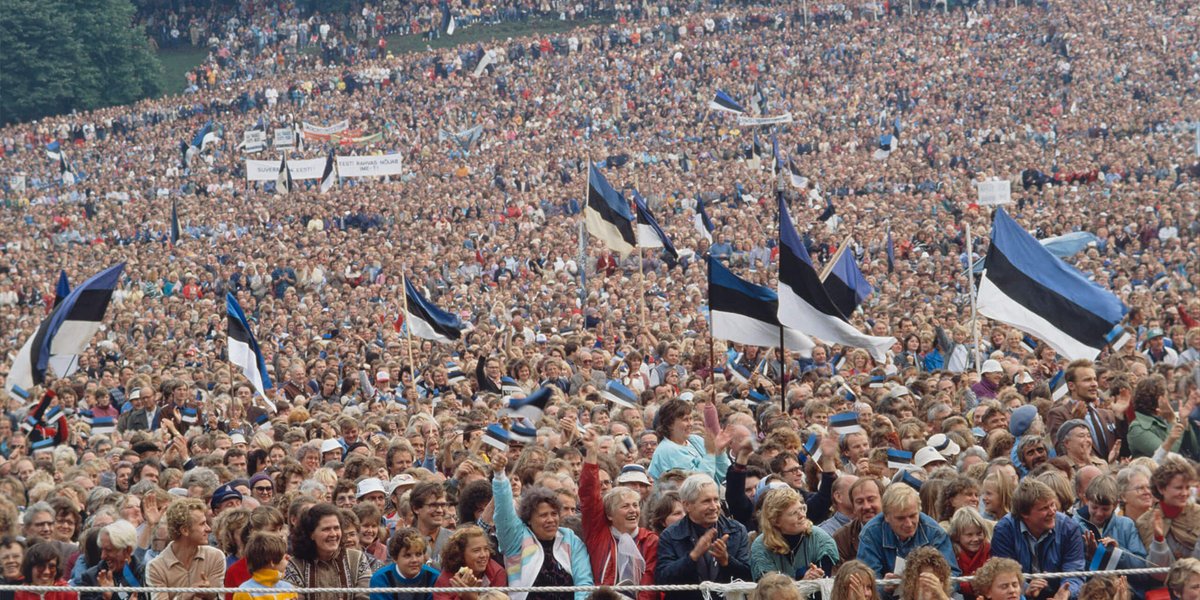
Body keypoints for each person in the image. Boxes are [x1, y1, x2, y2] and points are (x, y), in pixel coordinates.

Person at [489, 452, 592, 600]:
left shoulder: (570, 539)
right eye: (543, 515)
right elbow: (503, 512)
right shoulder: (516, 538)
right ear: (529, 519)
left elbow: (584, 582)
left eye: (554, 514)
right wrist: (499, 476)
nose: (550, 519)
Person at [579, 432, 657, 597]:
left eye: (635, 505)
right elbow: (589, 496)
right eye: (625, 506)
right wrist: (592, 453)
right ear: (609, 515)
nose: (632, 510)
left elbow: (649, 583)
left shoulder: (650, 540)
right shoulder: (599, 534)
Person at [656, 473, 751, 600]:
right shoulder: (670, 535)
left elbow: (749, 576)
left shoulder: (736, 530)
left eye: (716, 499)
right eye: (706, 501)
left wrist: (727, 561)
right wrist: (693, 556)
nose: (714, 507)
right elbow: (663, 580)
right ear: (687, 505)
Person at [991, 479, 1084, 600]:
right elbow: (1003, 573)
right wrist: (1024, 588)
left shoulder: (1069, 528)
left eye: (1052, 505)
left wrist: (1066, 593)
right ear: (1025, 514)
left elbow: (1075, 571)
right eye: (1045, 508)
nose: (1052, 512)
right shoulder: (1004, 530)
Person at [857, 481, 959, 579]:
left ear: (919, 510)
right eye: (901, 518)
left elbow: (952, 575)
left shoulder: (934, 532)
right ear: (886, 516)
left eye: (913, 516)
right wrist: (884, 587)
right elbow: (867, 581)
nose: (909, 524)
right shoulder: (870, 534)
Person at [284, 503, 372, 600]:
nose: (333, 534)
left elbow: (366, 596)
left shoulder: (357, 559)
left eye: (336, 528)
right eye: (326, 529)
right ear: (311, 534)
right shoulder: (295, 565)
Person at [749, 487, 838, 580]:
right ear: (776, 521)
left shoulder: (820, 539)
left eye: (802, 509)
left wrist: (816, 575)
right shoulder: (761, 546)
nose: (802, 515)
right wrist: (802, 583)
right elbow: (768, 589)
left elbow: (827, 581)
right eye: (794, 513)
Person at [147, 498, 226, 600]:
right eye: (202, 524)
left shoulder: (216, 557)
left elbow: (219, 597)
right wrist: (185, 596)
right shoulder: (156, 567)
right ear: (185, 530)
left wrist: (209, 592)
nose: (208, 529)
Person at [647, 399, 729, 482]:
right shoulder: (668, 450)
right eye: (685, 420)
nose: (690, 424)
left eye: (691, 419)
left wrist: (719, 452)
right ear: (669, 424)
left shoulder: (695, 440)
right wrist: (710, 453)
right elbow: (697, 485)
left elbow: (722, 475)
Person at [431, 526, 505, 600]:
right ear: (460, 553)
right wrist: (462, 596)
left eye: (486, 549)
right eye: (476, 550)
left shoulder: (496, 572)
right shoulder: (447, 579)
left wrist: (472, 598)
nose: (483, 555)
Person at [80, 520, 145, 600]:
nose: (102, 556)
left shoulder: (144, 576)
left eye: (109, 550)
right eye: (102, 550)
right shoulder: (90, 577)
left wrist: (113, 596)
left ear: (128, 550)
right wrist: (105, 598)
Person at [369, 528, 440, 600]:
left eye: (418, 554)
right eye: (407, 555)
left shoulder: (434, 578)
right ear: (395, 558)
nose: (414, 560)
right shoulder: (381, 579)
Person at [231, 532, 298, 600]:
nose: (289, 559)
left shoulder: (289, 588)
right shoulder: (245, 592)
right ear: (272, 562)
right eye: (285, 557)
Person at [947, 507, 991, 597]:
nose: (975, 539)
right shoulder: (951, 553)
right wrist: (970, 585)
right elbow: (951, 582)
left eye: (979, 533)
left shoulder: (988, 549)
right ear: (956, 536)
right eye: (969, 535)